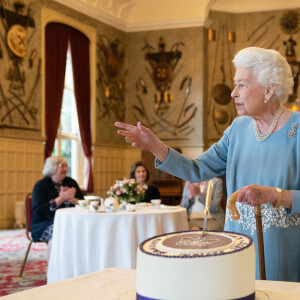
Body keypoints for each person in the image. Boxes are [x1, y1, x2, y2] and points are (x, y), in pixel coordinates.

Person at [115, 47, 300, 282]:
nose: (233, 93)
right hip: (239, 246)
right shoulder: (237, 129)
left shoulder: (298, 129)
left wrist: (275, 195)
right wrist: (156, 146)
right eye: (235, 85)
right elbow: (196, 169)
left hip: (284, 254)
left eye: (241, 85)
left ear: (269, 88)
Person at [31, 156, 84, 245]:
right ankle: (57, 259)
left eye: (66, 166)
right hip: (44, 224)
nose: (65, 169)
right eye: (62, 166)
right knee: (63, 233)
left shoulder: (71, 182)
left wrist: (73, 200)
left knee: (84, 230)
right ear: (52, 167)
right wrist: (61, 199)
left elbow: (83, 202)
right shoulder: (41, 185)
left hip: (70, 221)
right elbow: (38, 211)